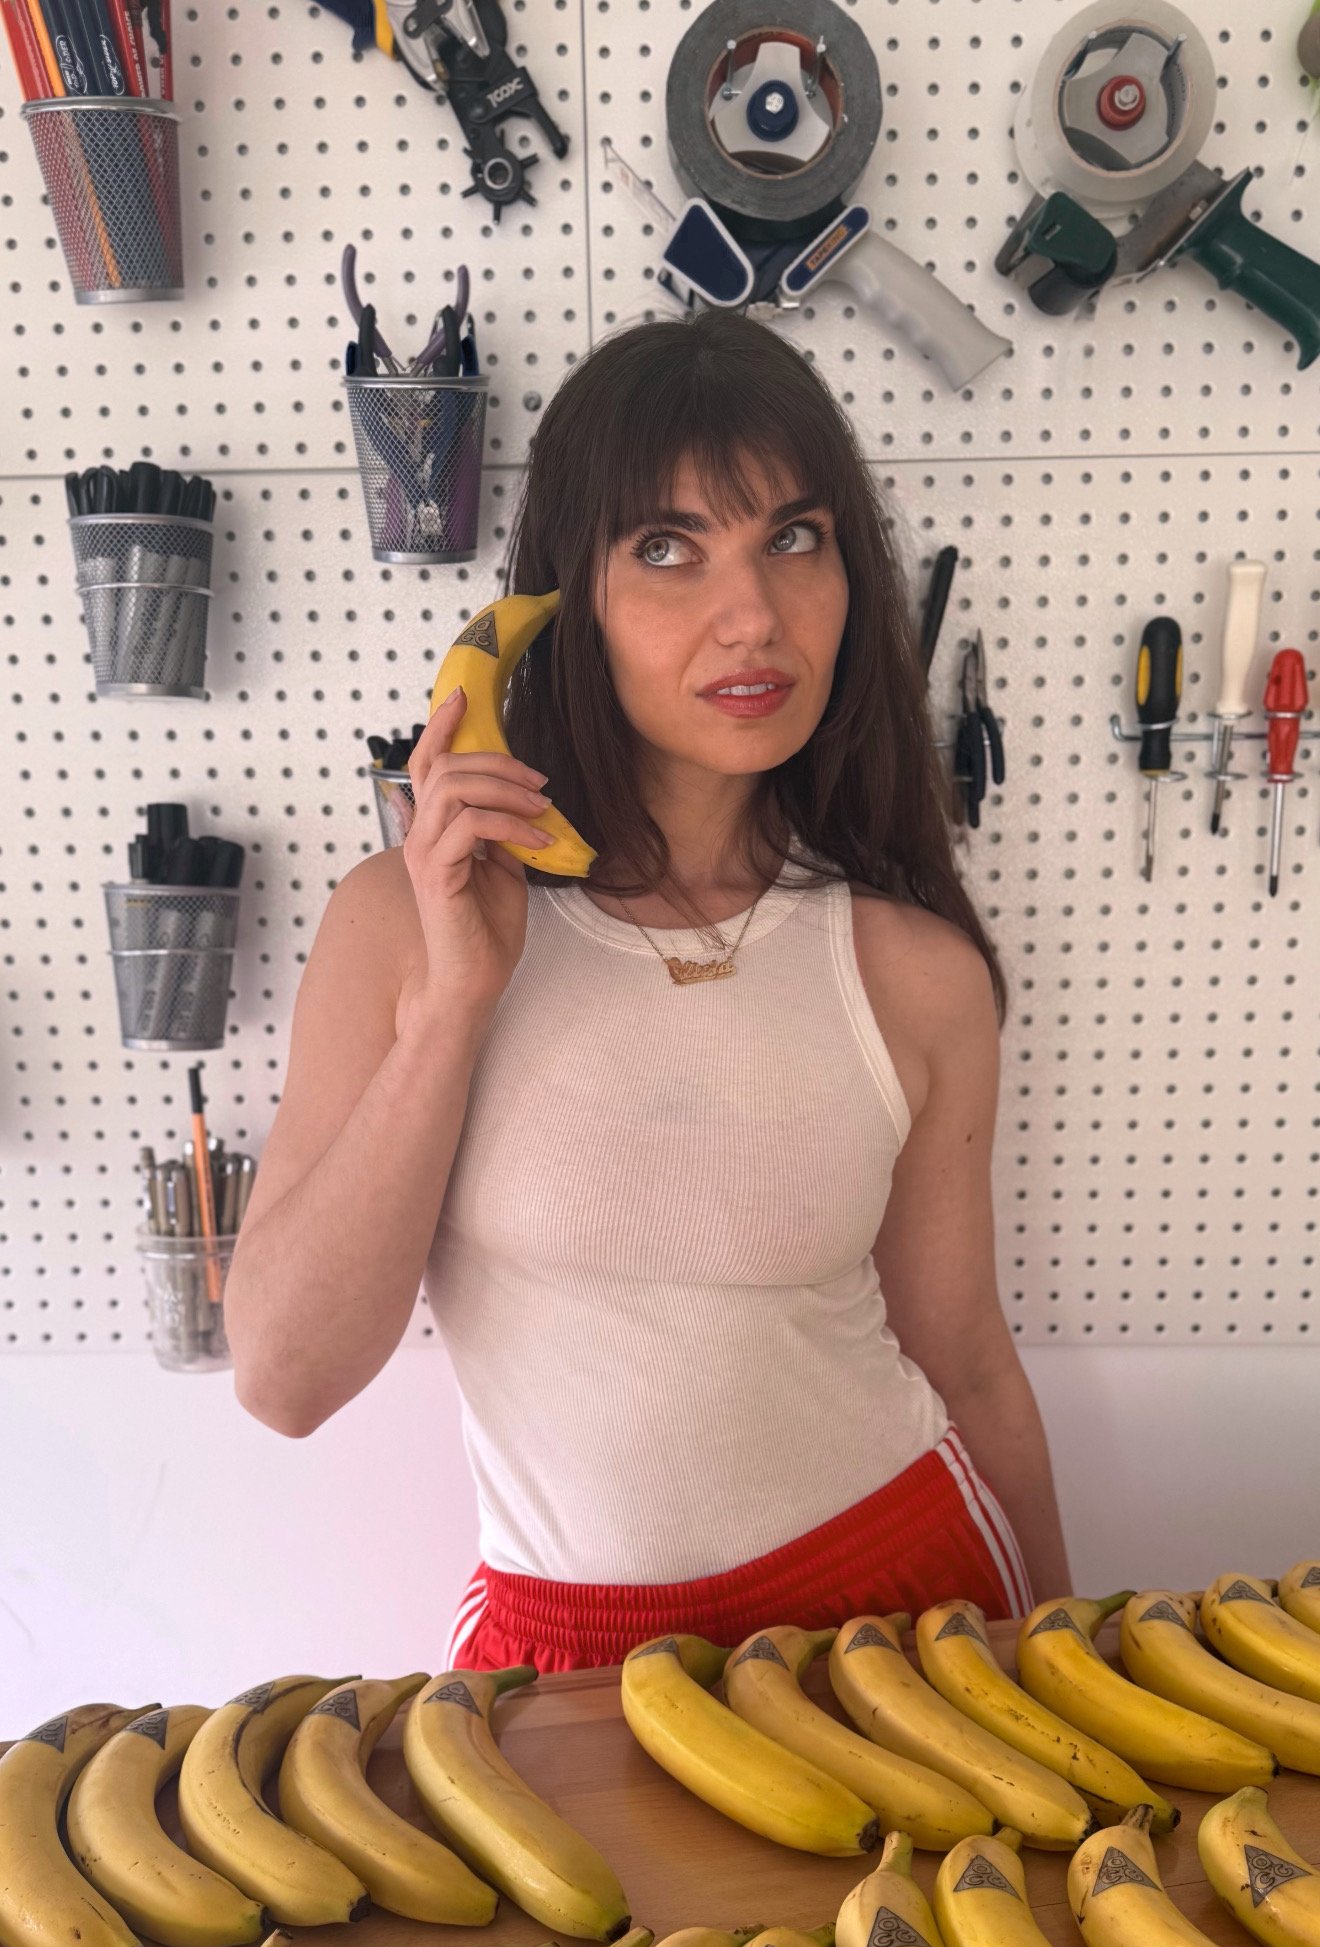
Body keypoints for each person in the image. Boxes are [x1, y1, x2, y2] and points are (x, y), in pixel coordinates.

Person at [225, 308, 1073, 1673]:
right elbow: (284, 1378)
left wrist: (1063, 1664)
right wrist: (456, 1002)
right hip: (564, 1647)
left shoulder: (915, 973)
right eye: (667, 550)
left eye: (794, 538)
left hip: (904, 1604)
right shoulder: (399, 927)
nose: (753, 616)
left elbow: (966, 1356)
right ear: (561, 602)